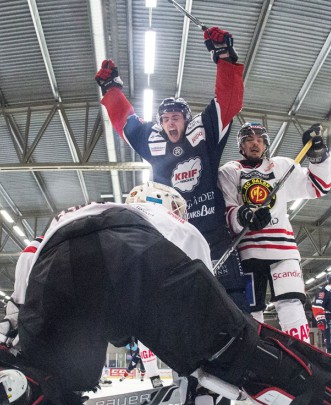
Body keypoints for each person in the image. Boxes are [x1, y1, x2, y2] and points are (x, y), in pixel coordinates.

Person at [0, 183, 331, 405]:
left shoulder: (77, 211)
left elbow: (25, 270)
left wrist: (14, 343)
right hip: (137, 253)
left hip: (57, 262)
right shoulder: (170, 220)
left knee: (59, 379)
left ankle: (19, 387)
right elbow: (205, 316)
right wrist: (199, 373)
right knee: (239, 348)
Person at [95, 26, 248, 311]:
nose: (170, 124)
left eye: (175, 117)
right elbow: (126, 124)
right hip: (174, 237)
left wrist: (225, 56)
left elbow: (228, 102)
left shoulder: (204, 131)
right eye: (165, 119)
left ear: (186, 119)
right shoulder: (153, 141)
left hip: (213, 234)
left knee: (233, 305)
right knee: (182, 309)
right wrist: (111, 89)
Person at [218, 122, 331, 341]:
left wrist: (318, 155)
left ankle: (301, 356)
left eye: (260, 140)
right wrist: (245, 216)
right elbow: (228, 211)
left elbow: (319, 186)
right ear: (241, 145)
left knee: (290, 302)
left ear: (266, 145)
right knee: (251, 312)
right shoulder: (229, 171)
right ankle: (255, 360)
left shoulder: (281, 166)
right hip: (248, 254)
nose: (255, 144)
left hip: (283, 250)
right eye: (249, 140)